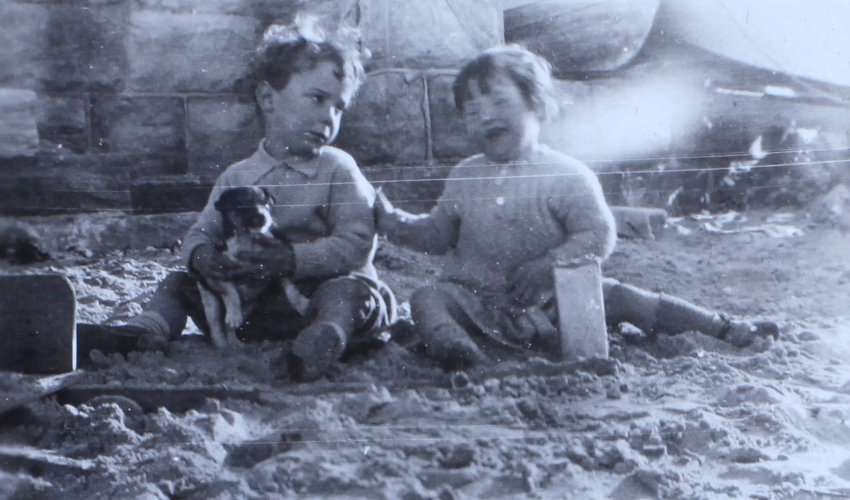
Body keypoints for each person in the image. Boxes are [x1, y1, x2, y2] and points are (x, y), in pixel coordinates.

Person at [374, 45, 777, 371]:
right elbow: (438, 233)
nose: (487, 117)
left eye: (499, 101)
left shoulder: (566, 174)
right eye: (473, 111)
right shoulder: (465, 175)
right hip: (479, 305)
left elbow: (598, 235)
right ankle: (458, 353)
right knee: (428, 298)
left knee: (625, 298)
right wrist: (396, 223)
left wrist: (550, 264)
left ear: (536, 105)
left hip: (556, 303)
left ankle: (722, 327)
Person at [79, 20, 395, 381]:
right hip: (252, 308)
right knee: (176, 283)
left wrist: (292, 259)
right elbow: (200, 233)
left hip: (315, 295)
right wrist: (203, 257)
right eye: (317, 98)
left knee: (350, 292)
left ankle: (325, 338)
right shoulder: (238, 177)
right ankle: (144, 331)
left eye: (339, 107)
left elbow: (357, 244)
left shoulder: (338, 168)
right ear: (267, 98)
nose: (328, 117)